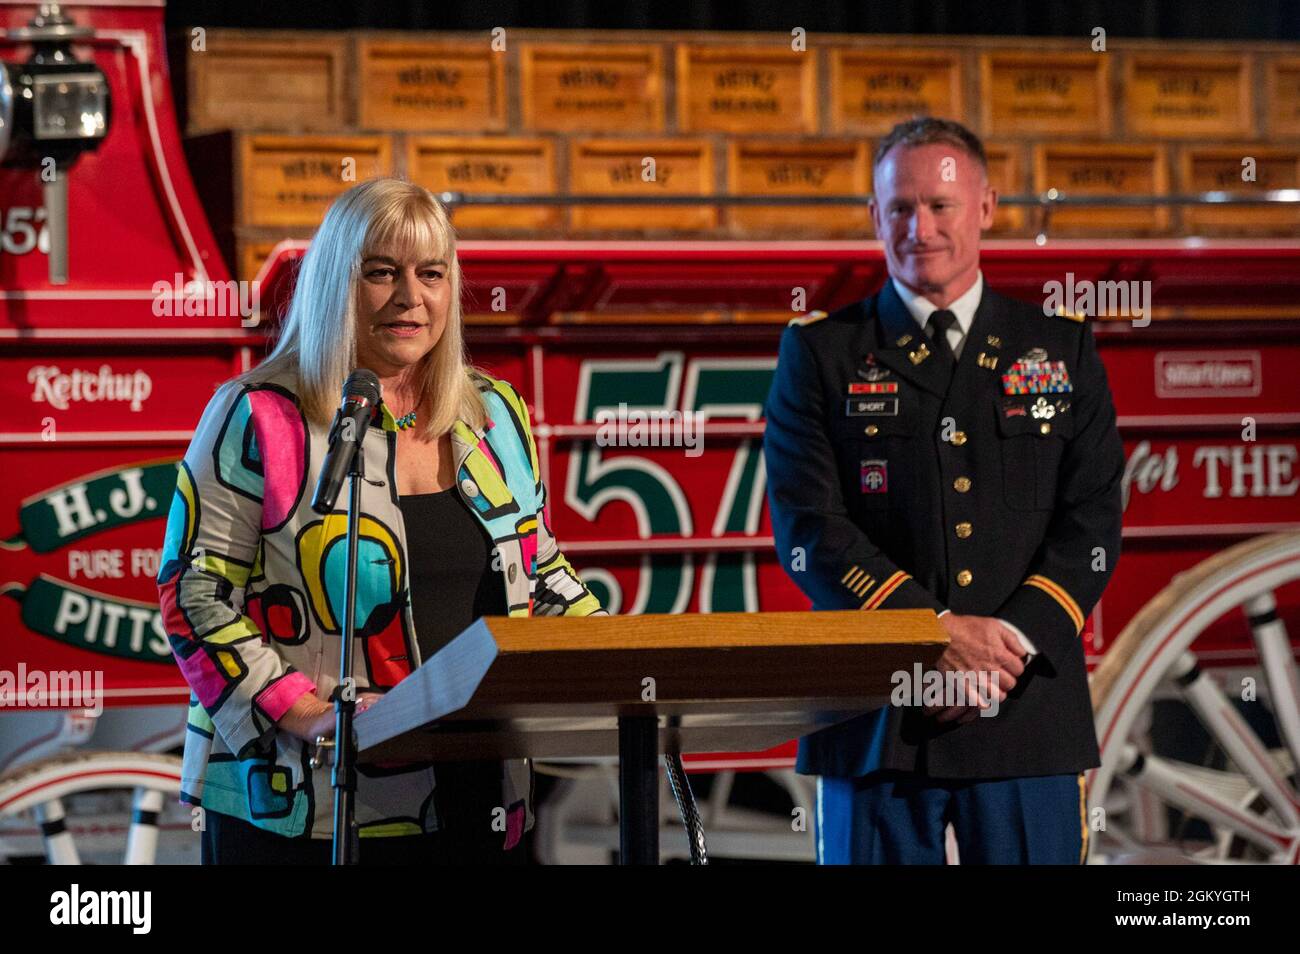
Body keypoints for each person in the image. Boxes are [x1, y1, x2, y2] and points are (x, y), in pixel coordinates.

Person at [157, 178, 606, 864]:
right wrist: (305, 714)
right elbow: (195, 594)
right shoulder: (257, 416)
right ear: (339, 281)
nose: (411, 297)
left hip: (480, 793)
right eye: (381, 273)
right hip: (306, 804)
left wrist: (621, 655)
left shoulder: (495, 413)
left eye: (432, 274)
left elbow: (542, 576)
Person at [763, 118, 1124, 864]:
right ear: (874, 216)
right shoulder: (821, 353)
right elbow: (807, 531)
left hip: (1025, 713)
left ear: (986, 207)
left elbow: (1091, 523)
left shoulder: (1062, 349)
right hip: (878, 719)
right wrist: (931, 632)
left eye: (940, 205)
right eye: (899, 208)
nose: (919, 228)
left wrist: (1003, 646)